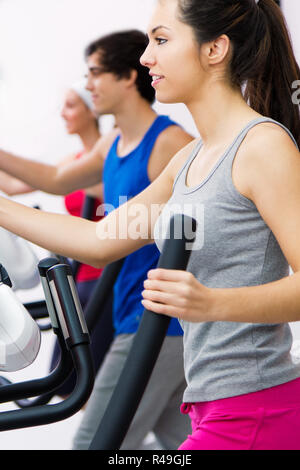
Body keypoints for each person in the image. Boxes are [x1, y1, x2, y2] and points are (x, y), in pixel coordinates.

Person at [0, 0, 298, 450]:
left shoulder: (262, 147)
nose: (145, 58)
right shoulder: (189, 161)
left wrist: (211, 303)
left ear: (214, 48)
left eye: (160, 40)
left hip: (255, 407)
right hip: (210, 405)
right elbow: (100, 238)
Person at [0, 29, 193, 449]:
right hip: (131, 312)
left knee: (94, 444)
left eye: (94, 74)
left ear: (126, 76)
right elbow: (54, 179)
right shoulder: (113, 143)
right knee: (180, 443)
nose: (87, 85)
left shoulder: (171, 144)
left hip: (159, 322)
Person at [0, 81, 115, 396]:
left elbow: (125, 198)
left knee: (74, 379)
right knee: (68, 381)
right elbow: (13, 184)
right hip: (81, 281)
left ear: (92, 108)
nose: (62, 114)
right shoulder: (75, 161)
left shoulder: (114, 152)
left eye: (70, 105)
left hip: (109, 278)